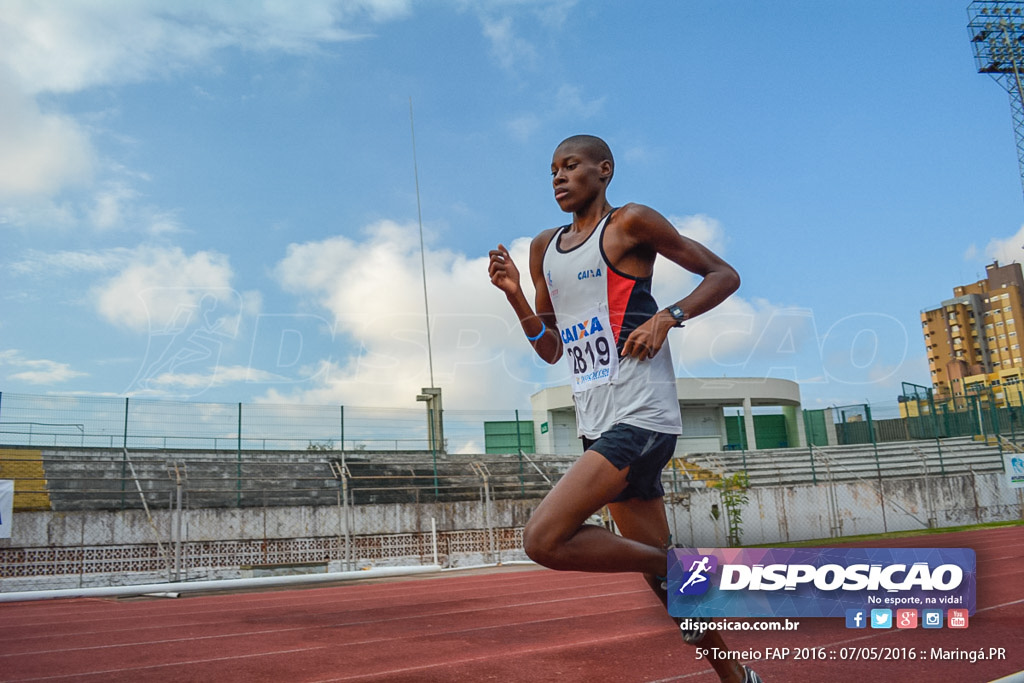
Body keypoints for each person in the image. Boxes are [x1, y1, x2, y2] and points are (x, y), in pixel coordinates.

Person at [488, 135, 760, 683]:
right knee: (658, 570)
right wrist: (516, 293)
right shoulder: (545, 246)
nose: (559, 178)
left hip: (643, 415)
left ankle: (679, 567)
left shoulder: (631, 223)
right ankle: (739, 676)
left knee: (544, 539)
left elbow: (724, 275)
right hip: (597, 422)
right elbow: (550, 346)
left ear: (603, 170)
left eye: (571, 166)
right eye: (552, 171)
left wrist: (668, 316)